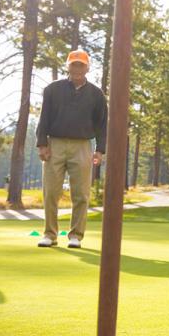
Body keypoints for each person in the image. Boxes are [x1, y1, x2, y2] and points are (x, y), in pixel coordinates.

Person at [35, 50, 107, 249]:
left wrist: (100, 150)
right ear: (68, 66)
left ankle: (76, 235)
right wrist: (42, 144)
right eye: (74, 65)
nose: (77, 69)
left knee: (81, 194)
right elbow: (44, 118)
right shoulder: (53, 90)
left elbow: (102, 124)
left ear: (87, 68)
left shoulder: (96, 94)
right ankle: (50, 234)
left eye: (81, 65)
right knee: (51, 192)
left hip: (82, 146)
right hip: (55, 143)